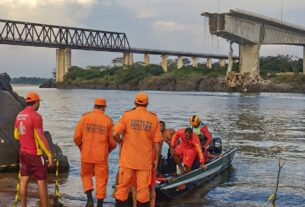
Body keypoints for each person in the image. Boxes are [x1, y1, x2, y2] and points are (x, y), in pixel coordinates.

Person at [113, 92, 163, 207]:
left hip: (127, 161)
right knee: (143, 191)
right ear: (147, 104)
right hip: (144, 163)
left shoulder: (126, 115)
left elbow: (114, 133)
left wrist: (121, 141)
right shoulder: (153, 118)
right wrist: (156, 161)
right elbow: (158, 142)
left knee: (122, 189)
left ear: (135, 102)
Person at [74, 98, 116, 207]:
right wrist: (108, 151)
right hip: (101, 156)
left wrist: (81, 148)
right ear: (104, 107)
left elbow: (77, 137)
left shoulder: (85, 118)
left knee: (85, 176)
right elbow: (113, 142)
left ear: (94, 106)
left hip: (86, 154)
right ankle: (100, 204)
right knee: (101, 180)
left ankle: (89, 199)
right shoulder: (108, 120)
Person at [14, 92, 53, 207]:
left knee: (24, 180)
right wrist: (49, 155)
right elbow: (41, 138)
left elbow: (16, 135)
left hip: (23, 152)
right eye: (38, 102)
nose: (39, 104)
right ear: (36, 102)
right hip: (35, 154)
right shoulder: (36, 116)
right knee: (41, 182)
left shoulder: (19, 115)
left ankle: (23, 205)